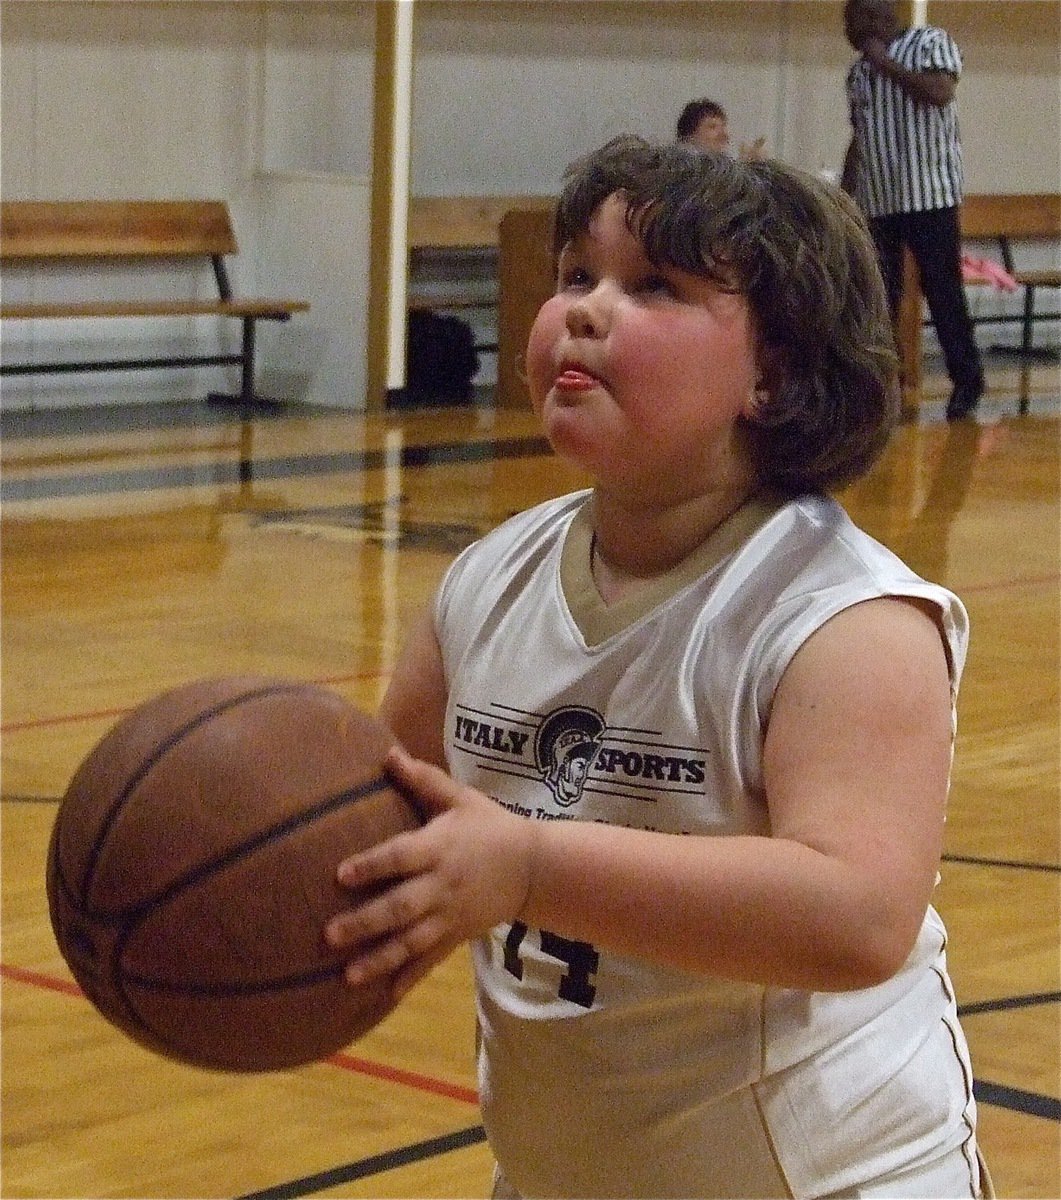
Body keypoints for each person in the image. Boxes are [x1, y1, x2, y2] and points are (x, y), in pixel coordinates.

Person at [326, 136, 988, 1198]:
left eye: (653, 287)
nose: (585, 309)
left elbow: (858, 911)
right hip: (566, 1172)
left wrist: (530, 867)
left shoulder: (843, 617)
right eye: (576, 276)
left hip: (830, 1178)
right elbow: (368, 811)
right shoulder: (488, 580)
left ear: (771, 372)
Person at [841, 0, 984, 421]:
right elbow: (860, 136)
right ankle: (887, 385)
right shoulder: (857, 74)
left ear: (888, 14)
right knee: (881, 296)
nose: (855, 28)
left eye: (864, 16)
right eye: (848, 22)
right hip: (879, 200)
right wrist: (846, 198)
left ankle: (967, 382)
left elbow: (939, 93)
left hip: (931, 196)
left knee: (943, 293)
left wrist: (884, 62)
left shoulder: (929, 42)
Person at [676, 96, 766, 160]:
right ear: (689, 136)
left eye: (723, 126)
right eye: (712, 127)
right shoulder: (679, 168)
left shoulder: (723, 165)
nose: (724, 134)